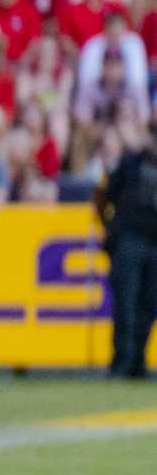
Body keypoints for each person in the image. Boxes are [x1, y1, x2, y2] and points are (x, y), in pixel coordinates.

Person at [96, 128, 157, 379]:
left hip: (154, 242)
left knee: (150, 304)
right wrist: (110, 230)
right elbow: (102, 194)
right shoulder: (130, 163)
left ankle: (138, 361)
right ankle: (121, 361)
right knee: (125, 303)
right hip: (130, 240)